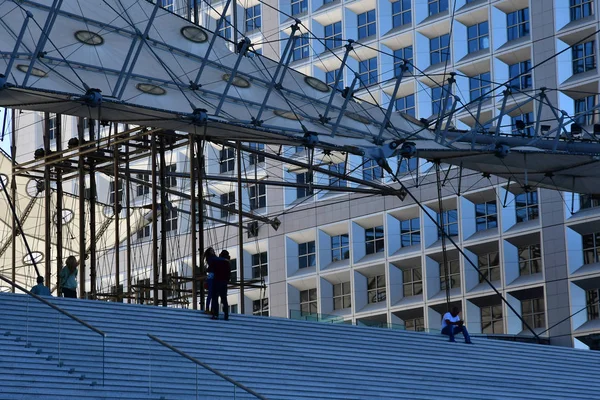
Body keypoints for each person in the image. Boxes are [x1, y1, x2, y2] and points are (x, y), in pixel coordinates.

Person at [205, 247, 231, 320]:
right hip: (224, 282)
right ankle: (226, 315)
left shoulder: (217, 261)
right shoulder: (227, 262)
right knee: (224, 298)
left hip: (217, 281)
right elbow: (229, 273)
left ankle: (215, 314)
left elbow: (210, 269)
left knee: (215, 298)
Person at [204, 248, 216, 314]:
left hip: (213, 276)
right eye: (212, 251)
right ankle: (209, 308)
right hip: (212, 276)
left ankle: (210, 308)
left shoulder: (210, 258)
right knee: (211, 293)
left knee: (212, 293)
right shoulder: (211, 258)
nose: (213, 252)